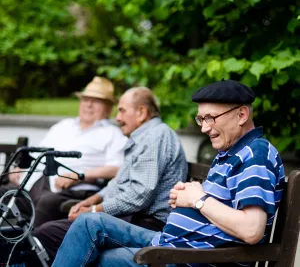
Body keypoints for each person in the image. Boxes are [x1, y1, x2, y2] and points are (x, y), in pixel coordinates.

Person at [51, 79, 285, 267]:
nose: (204, 128)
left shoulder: (256, 155)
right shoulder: (229, 152)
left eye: (211, 118)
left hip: (189, 258)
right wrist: (191, 197)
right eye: (201, 119)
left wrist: (198, 200)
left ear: (242, 115)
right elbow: (220, 206)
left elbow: (251, 230)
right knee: (88, 222)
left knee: (100, 259)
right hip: (172, 243)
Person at [33, 87, 188, 262]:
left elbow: (139, 195)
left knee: (48, 234)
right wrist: (92, 200)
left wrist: (94, 210)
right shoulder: (142, 138)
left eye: (122, 111)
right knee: (48, 231)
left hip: (146, 222)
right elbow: (118, 182)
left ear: (141, 112)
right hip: (130, 217)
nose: (118, 118)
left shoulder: (156, 137)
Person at [0, 76, 127, 226]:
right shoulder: (63, 126)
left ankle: (33, 247)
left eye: (96, 101)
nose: (89, 105)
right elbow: (38, 154)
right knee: (3, 192)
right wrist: (20, 169)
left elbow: (118, 169)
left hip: (75, 191)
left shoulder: (113, 133)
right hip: (37, 183)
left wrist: (80, 176)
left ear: (109, 108)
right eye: (86, 99)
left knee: (47, 202)